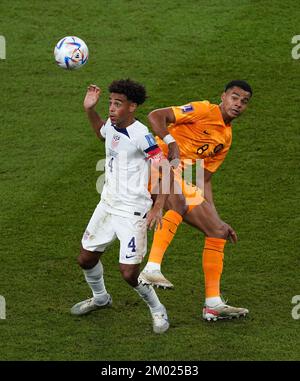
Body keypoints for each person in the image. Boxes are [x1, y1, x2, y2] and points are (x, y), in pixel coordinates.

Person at [139, 80, 252, 321]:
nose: (238, 104)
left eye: (244, 101)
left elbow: (204, 180)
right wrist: (171, 144)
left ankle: (213, 303)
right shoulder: (203, 110)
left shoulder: (225, 138)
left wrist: (216, 217)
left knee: (218, 230)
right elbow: (156, 116)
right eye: (234, 97)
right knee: (178, 202)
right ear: (223, 96)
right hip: (155, 165)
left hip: (182, 178)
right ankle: (151, 269)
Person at [70, 79, 171, 333]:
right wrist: (89, 110)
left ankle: (158, 310)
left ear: (132, 106)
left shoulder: (141, 136)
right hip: (107, 205)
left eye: (118, 104)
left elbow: (165, 169)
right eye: (110, 103)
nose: (112, 108)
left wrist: (158, 207)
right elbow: (101, 133)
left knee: (129, 273)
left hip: (132, 211)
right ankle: (101, 297)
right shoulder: (113, 126)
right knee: (85, 259)